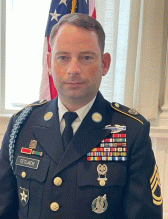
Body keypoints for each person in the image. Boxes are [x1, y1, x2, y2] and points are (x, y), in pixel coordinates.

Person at [0, 13, 162, 219]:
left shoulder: (131, 131)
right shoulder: (22, 125)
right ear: (49, 63)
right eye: (63, 57)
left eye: (86, 57)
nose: (73, 69)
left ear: (105, 63)